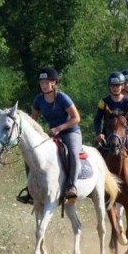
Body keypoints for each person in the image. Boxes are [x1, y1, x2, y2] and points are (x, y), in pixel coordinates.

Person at [17, 66, 82, 204]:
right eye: (42, 83)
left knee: (73, 154)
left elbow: (76, 118)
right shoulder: (38, 100)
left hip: (71, 132)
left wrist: (59, 128)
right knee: (31, 155)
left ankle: (71, 187)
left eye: (47, 82)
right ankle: (31, 189)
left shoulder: (63, 98)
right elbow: (32, 122)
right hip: (53, 134)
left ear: (54, 83)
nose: (44, 85)